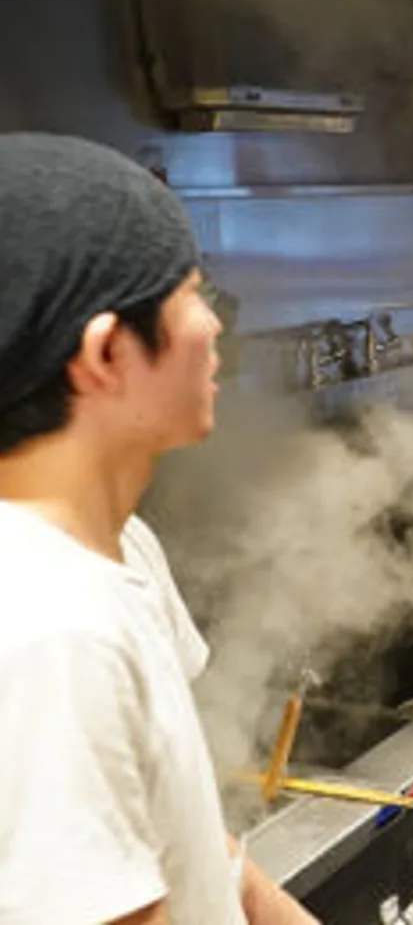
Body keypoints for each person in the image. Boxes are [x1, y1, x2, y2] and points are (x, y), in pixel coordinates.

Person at [0, 134, 318, 925]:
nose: (214, 326)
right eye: (190, 294)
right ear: (106, 352)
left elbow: (204, 855)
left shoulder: (122, 551)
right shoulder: (51, 634)